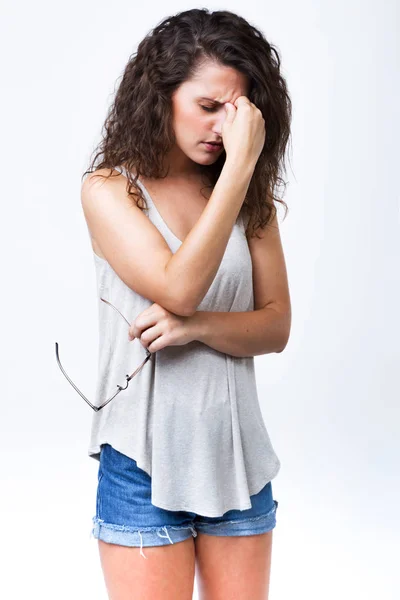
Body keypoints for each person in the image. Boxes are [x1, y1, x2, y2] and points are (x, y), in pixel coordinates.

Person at [81, 8, 292, 600]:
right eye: (207, 107)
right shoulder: (110, 189)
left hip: (237, 457)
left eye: (237, 111)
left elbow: (276, 326)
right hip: (141, 462)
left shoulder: (254, 203)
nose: (223, 129)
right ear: (162, 96)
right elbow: (176, 287)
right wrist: (240, 172)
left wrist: (196, 327)